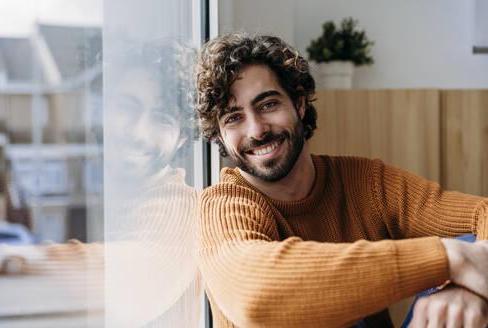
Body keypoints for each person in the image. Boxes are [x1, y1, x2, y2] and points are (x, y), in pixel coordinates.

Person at [195, 33, 488, 328]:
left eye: (268, 104)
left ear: (299, 104)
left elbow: (482, 214)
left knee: (473, 247)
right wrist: (449, 258)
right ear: (220, 135)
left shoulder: (365, 183)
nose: (256, 130)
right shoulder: (221, 207)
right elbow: (255, 296)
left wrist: (465, 289)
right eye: (233, 118)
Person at [0, 39, 202, 328]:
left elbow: (131, 282)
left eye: (161, 119)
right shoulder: (112, 195)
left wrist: (9, 260)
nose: (138, 132)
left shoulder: (181, 209)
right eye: (127, 108)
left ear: (182, 138)